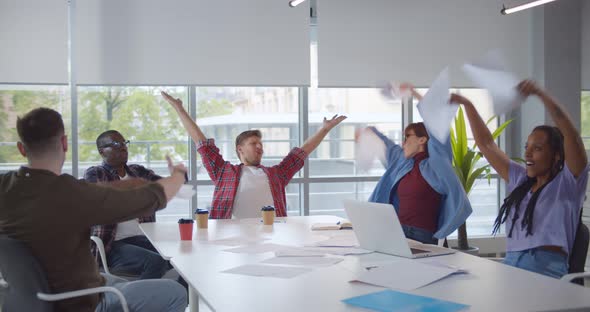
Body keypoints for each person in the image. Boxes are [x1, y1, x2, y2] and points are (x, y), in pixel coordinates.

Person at [0, 108, 187, 311]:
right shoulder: (70, 193)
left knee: (128, 278)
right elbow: (153, 196)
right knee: (175, 292)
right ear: (64, 143)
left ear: (21, 148)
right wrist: (177, 175)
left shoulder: (5, 185)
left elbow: (105, 192)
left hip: (38, 296)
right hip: (83, 301)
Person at [451, 80, 588, 278]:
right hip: (511, 265)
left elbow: (571, 135)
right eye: (527, 147)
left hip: (546, 270)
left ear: (557, 154)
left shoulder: (568, 184)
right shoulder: (521, 180)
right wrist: (468, 105)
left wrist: (542, 95)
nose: (528, 154)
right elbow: (486, 144)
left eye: (537, 149)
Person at [161, 91, 346, 219]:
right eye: (253, 144)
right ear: (240, 149)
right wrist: (179, 108)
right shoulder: (223, 172)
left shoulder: (276, 174)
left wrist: (324, 130)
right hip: (229, 235)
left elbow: (300, 153)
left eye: (261, 143)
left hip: (271, 233)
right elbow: (202, 144)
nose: (260, 147)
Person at [365, 83, 472, 245]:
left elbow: (436, 124)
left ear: (422, 139)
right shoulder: (402, 162)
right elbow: (386, 145)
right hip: (397, 231)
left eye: (407, 136)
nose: (404, 142)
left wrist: (413, 93)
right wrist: (368, 131)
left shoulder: (437, 163)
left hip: (423, 235)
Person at [84, 130, 171, 280]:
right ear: (102, 151)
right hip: (113, 244)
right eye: (117, 144)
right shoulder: (95, 173)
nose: (123, 147)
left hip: (143, 238)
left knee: (180, 255)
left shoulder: (137, 171)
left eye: (125, 143)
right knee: (155, 261)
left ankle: (179, 299)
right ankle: (141, 301)